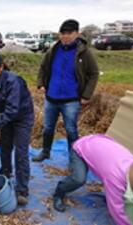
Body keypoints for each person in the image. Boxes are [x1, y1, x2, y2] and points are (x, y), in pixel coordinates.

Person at [52, 134, 133, 225]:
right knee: (78, 179)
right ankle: (59, 193)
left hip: (101, 142)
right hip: (81, 147)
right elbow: (116, 209)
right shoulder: (116, 178)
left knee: (114, 188)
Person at [33, 19, 99, 163]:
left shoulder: (84, 52)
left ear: (77, 33)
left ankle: (74, 159)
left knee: (71, 130)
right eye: (63, 33)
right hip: (51, 98)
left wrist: (86, 94)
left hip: (71, 100)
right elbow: (43, 68)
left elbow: (94, 73)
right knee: (48, 128)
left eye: (69, 33)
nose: (65, 36)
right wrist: (41, 84)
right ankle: (45, 152)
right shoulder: (54, 50)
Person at [0, 52, 34, 205]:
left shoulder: (13, 82)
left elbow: (12, 110)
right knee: (5, 147)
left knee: (21, 152)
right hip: (7, 118)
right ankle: (5, 174)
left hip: (22, 118)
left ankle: (22, 190)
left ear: (1, 67)